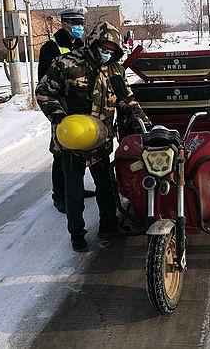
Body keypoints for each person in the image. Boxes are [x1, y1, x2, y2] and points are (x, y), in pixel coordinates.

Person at [36, 21, 151, 252]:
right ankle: (76, 233)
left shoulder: (115, 69)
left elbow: (127, 100)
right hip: (71, 141)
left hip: (100, 139)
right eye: (103, 46)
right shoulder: (66, 63)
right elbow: (44, 92)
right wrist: (59, 117)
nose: (106, 51)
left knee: (106, 185)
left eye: (111, 48)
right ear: (93, 42)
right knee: (74, 190)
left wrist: (144, 124)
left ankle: (108, 225)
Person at [37, 6, 94, 214]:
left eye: (81, 24)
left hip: (80, 108)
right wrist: (56, 111)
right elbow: (44, 82)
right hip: (61, 109)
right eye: (74, 23)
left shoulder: (80, 44)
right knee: (61, 153)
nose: (79, 27)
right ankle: (59, 196)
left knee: (80, 152)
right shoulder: (51, 48)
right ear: (64, 24)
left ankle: (76, 188)